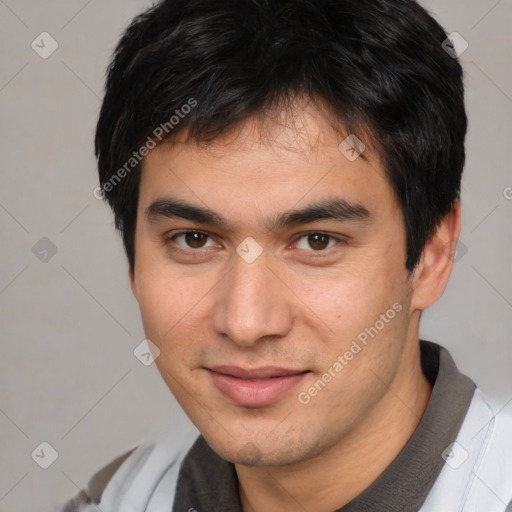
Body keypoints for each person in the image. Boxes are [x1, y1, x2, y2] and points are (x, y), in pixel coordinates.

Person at [60, 0, 512, 510]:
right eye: (194, 239)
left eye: (317, 241)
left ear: (432, 253)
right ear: (134, 264)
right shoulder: (121, 499)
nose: (247, 322)